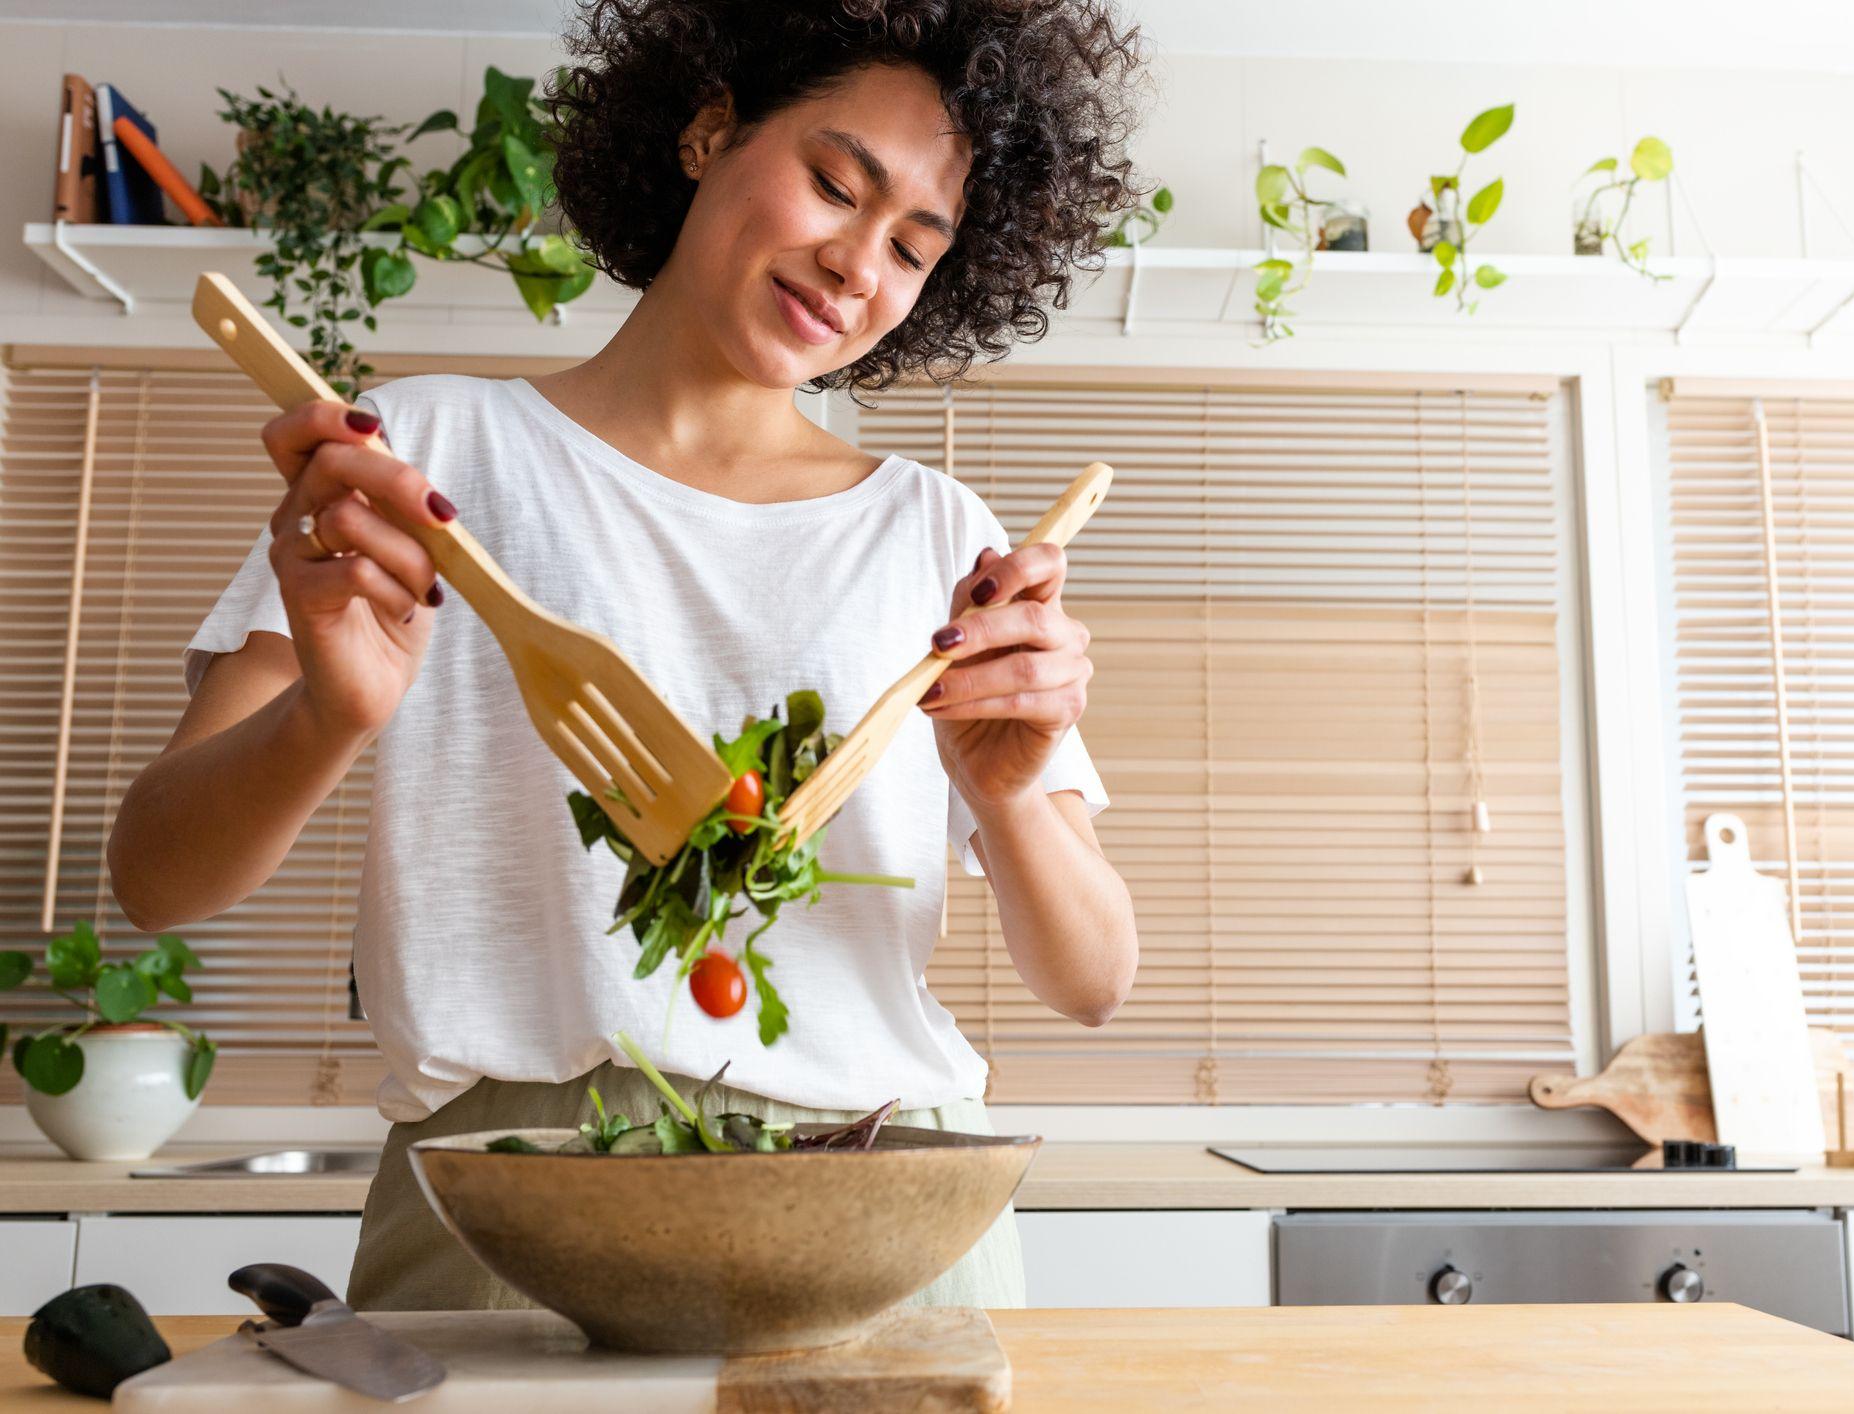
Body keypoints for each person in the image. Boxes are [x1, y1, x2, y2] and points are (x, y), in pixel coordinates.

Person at [106, 0, 1147, 1311]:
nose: (854, 266)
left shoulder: (936, 531)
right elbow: (154, 880)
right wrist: (329, 713)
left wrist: (1006, 793)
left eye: (911, 247)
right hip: (506, 1201)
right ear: (709, 128)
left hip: (879, 1198)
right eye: (834, 184)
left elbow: (1094, 976)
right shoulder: (421, 459)